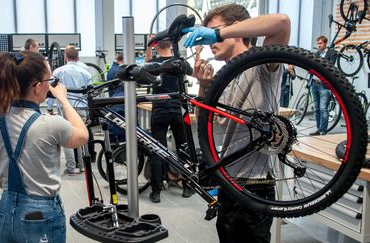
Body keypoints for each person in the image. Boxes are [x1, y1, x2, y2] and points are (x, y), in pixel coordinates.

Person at [183, 3, 290, 243]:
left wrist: (221, 32)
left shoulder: (262, 65)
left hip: (254, 185)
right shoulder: (228, 77)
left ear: (236, 29)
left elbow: (282, 22)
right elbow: (208, 128)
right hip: (229, 182)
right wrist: (204, 86)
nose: (211, 40)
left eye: (214, 32)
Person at [0, 51, 88, 242]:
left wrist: (2, 91)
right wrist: (63, 99)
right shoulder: (50, 124)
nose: (50, 85)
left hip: (6, 208)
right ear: (37, 87)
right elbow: (82, 135)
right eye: (48, 80)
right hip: (40, 214)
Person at [145, 39, 195, 203]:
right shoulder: (179, 62)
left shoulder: (153, 63)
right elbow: (191, 71)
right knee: (183, 148)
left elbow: (143, 73)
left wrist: (148, 47)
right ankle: (188, 186)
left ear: (157, 47)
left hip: (159, 110)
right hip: (178, 110)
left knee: (157, 149)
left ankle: (157, 191)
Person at [53, 45, 92, 174]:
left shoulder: (58, 72)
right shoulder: (85, 72)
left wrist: (49, 108)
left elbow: (52, 91)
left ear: (65, 57)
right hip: (82, 107)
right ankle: (81, 166)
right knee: (81, 136)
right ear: (78, 57)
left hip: (66, 108)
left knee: (66, 137)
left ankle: (71, 167)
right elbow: (91, 92)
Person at [309, 36, 338, 136]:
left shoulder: (332, 53)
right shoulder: (316, 54)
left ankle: (323, 130)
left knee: (323, 108)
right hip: (314, 84)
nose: (318, 45)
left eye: (320, 43)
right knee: (316, 108)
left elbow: (330, 66)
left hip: (323, 85)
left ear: (325, 43)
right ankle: (318, 128)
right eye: (317, 43)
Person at [106, 53, 126, 143]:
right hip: (120, 105)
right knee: (123, 133)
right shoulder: (118, 70)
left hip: (115, 104)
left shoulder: (113, 69)